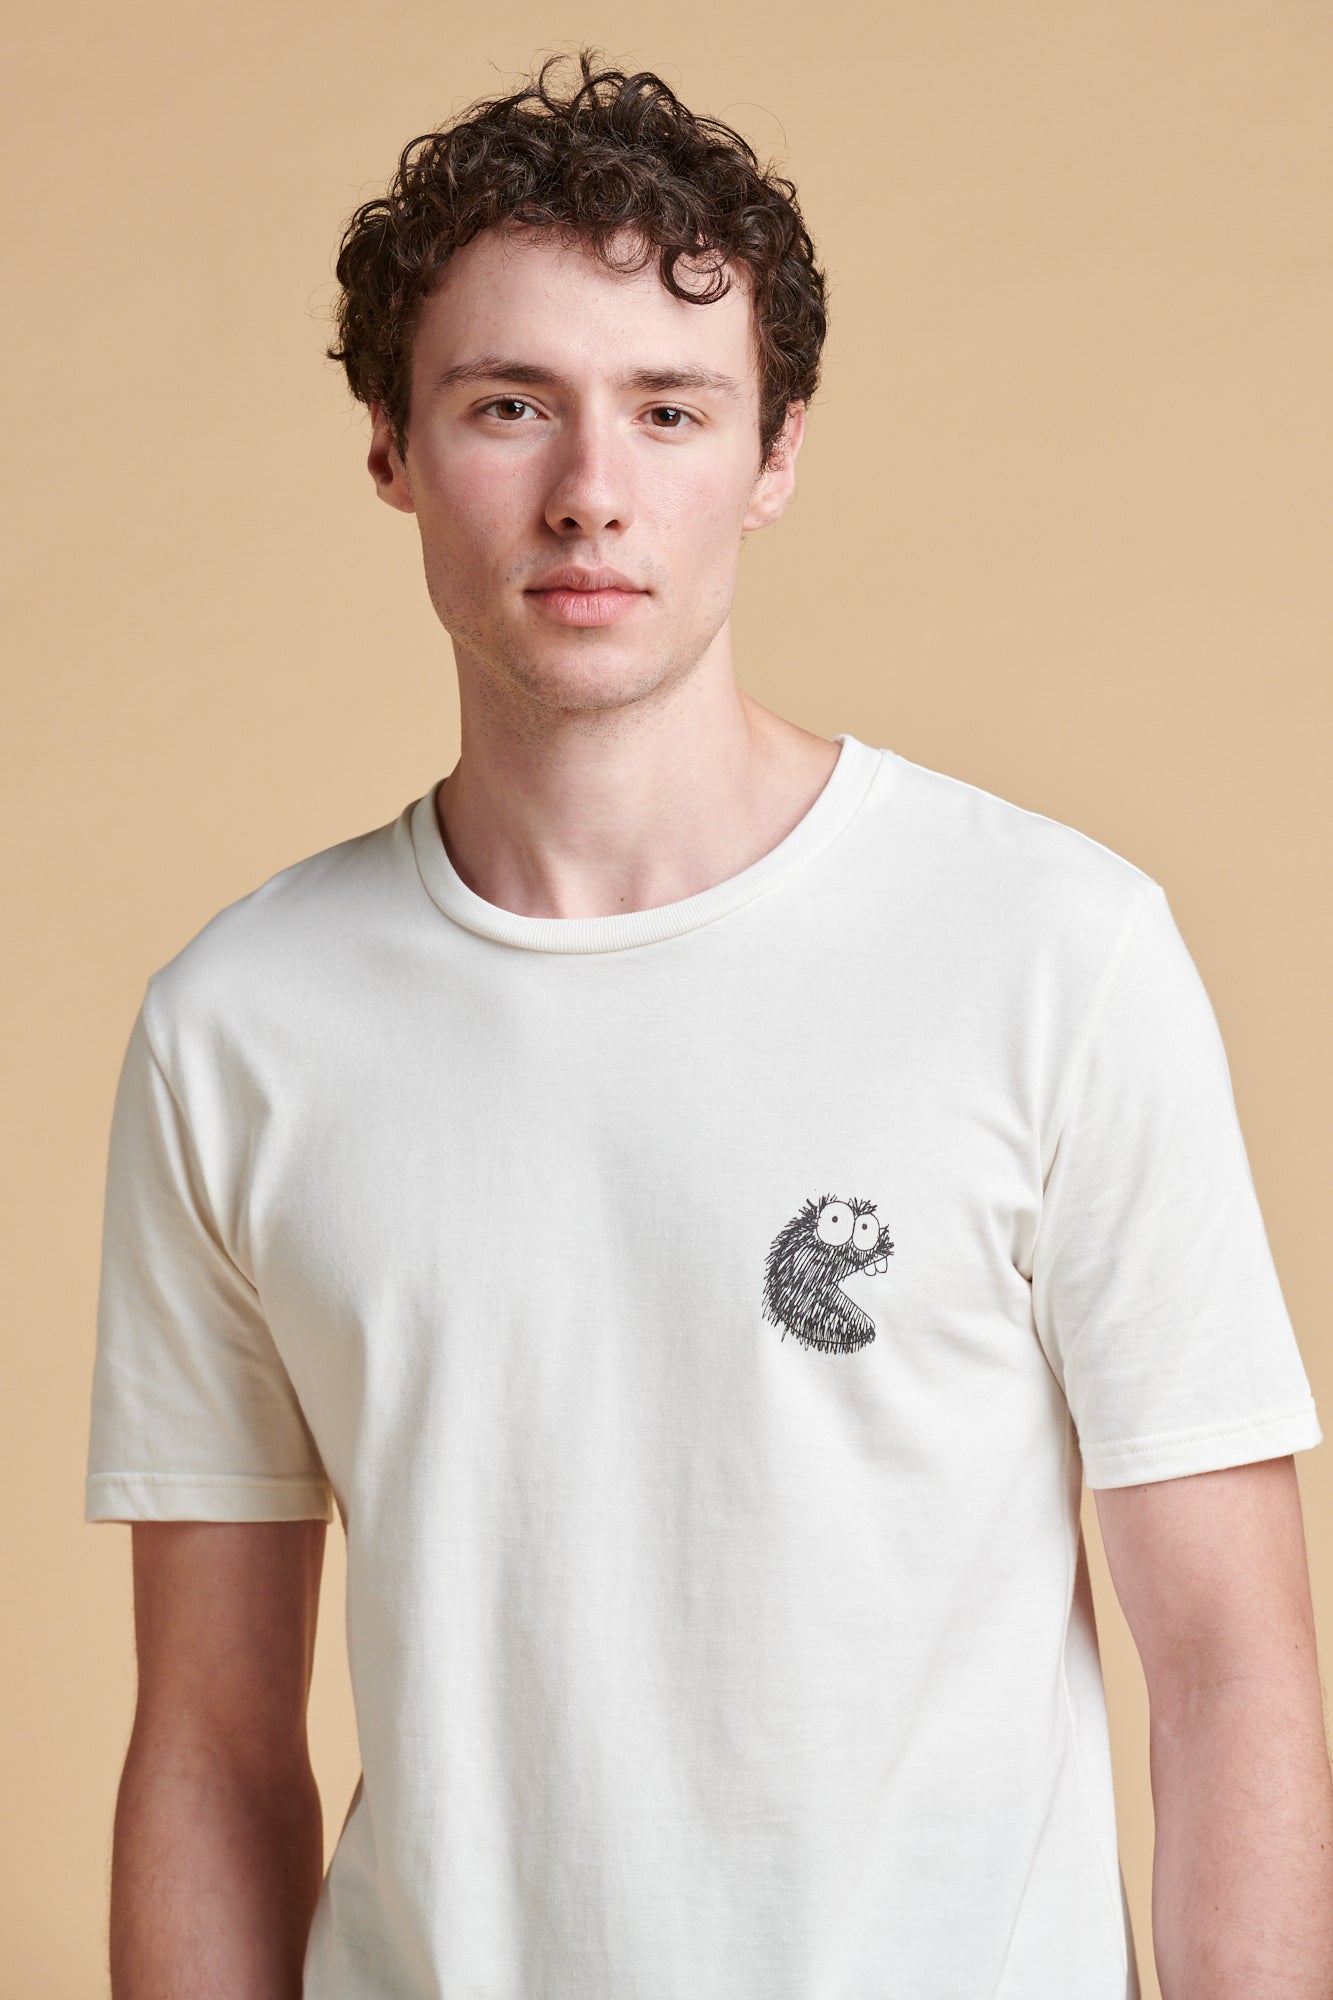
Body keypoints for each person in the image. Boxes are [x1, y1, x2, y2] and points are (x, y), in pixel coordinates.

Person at [84, 48, 1332, 2000]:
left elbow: (1232, 1672)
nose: (592, 492)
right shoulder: (238, 1030)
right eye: (510, 405)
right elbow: (211, 1743)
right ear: (392, 447)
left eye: (669, 410)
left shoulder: (1049, 951)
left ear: (773, 455)